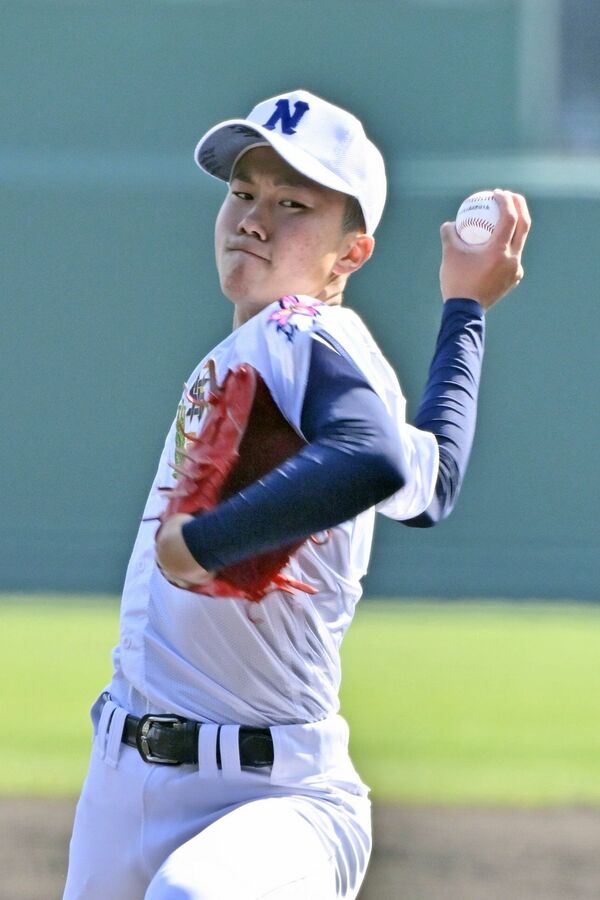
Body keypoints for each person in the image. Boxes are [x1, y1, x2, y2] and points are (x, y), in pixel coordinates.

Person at [63, 89, 530, 899]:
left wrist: (202, 544)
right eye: (243, 192)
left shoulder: (296, 328)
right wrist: (465, 307)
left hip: (273, 799)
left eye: (292, 204)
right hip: (123, 784)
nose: (253, 219)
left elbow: (371, 457)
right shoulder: (284, 352)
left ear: (351, 254)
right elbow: (434, 481)